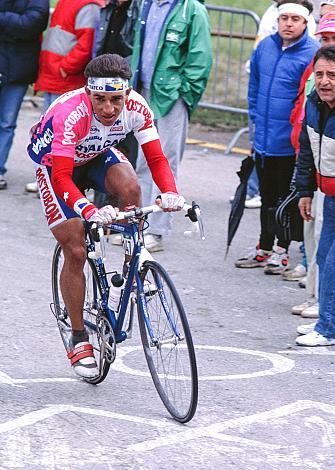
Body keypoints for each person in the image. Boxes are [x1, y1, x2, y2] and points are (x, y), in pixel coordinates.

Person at [27, 53, 185, 378]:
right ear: (88, 94)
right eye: (100, 99)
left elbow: (156, 158)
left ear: (127, 95)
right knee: (75, 249)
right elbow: (61, 178)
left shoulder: (138, 108)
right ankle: (78, 336)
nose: (109, 108)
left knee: (131, 189)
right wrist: (89, 210)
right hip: (58, 167)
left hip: (96, 153)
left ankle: (132, 266)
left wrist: (170, 192)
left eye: (116, 99)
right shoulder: (71, 114)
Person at [235, 0, 319, 275]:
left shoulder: (312, 53)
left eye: (296, 19)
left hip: (289, 142)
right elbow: (254, 87)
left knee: (285, 199)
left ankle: (282, 250)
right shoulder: (264, 48)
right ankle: (264, 246)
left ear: (306, 23)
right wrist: (255, 124)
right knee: (267, 195)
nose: (289, 24)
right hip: (264, 139)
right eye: (285, 18)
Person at [131, 0, 212, 252]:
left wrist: (184, 95)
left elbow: (201, 58)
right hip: (143, 91)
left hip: (171, 97)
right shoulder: (146, 4)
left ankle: (156, 230)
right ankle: (140, 224)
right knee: (143, 162)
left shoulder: (192, 9)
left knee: (165, 161)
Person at [25, 0, 103, 193]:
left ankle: (62, 183)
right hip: (54, 77)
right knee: (48, 133)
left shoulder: (88, 5)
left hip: (65, 80)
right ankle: (48, 180)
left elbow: (86, 43)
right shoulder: (66, 2)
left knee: (63, 136)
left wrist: (64, 68)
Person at [295, 46, 335, 346]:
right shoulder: (314, 105)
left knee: (333, 261)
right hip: (328, 195)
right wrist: (305, 191)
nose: (324, 81)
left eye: (332, 75)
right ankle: (327, 319)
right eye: (319, 74)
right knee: (322, 257)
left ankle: (328, 327)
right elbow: (307, 151)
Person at [0, 0, 49, 190]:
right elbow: (22, 25)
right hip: (10, 62)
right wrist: (14, 26)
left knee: (6, 122)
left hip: (19, 70)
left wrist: (3, 20)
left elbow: (31, 25)